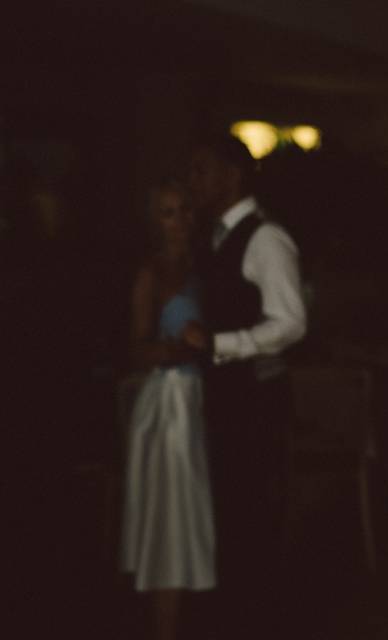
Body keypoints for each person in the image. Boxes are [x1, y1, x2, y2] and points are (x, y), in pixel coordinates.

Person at [184, 134, 306, 636]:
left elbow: (291, 322)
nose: (195, 181)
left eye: (201, 169)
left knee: (254, 515)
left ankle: (259, 619)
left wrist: (219, 342)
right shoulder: (212, 236)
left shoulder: (265, 238)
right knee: (229, 510)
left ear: (232, 175)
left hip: (255, 398)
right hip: (224, 395)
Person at [120, 180, 215, 640]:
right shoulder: (151, 273)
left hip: (197, 400)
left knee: (193, 518)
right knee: (170, 524)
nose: (179, 221)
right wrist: (184, 345)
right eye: (168, 213)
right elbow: (137, 350)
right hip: (168, 406)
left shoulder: (201, 267)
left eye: (184, 211)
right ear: (154, 221)